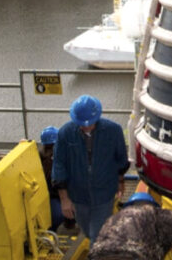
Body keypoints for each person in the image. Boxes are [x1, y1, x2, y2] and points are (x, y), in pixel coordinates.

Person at [51, 95, 129, 242]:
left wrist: (120, 181)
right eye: (81, 123)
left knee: (97, 236)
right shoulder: (65, 134)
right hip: (78, 196)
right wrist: (65, 199)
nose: (86, 127)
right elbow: (59, 165)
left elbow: (121, 158)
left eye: (89, 123)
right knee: (87, 231)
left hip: (104, 193)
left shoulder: (113, 131)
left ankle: (96, 255)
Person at [38, 125, 76, 232]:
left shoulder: (67, 155)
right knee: (58, 216)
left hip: (63, 193)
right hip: (54, 195)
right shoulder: (41, 158)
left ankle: (69, 224)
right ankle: (55, 231)